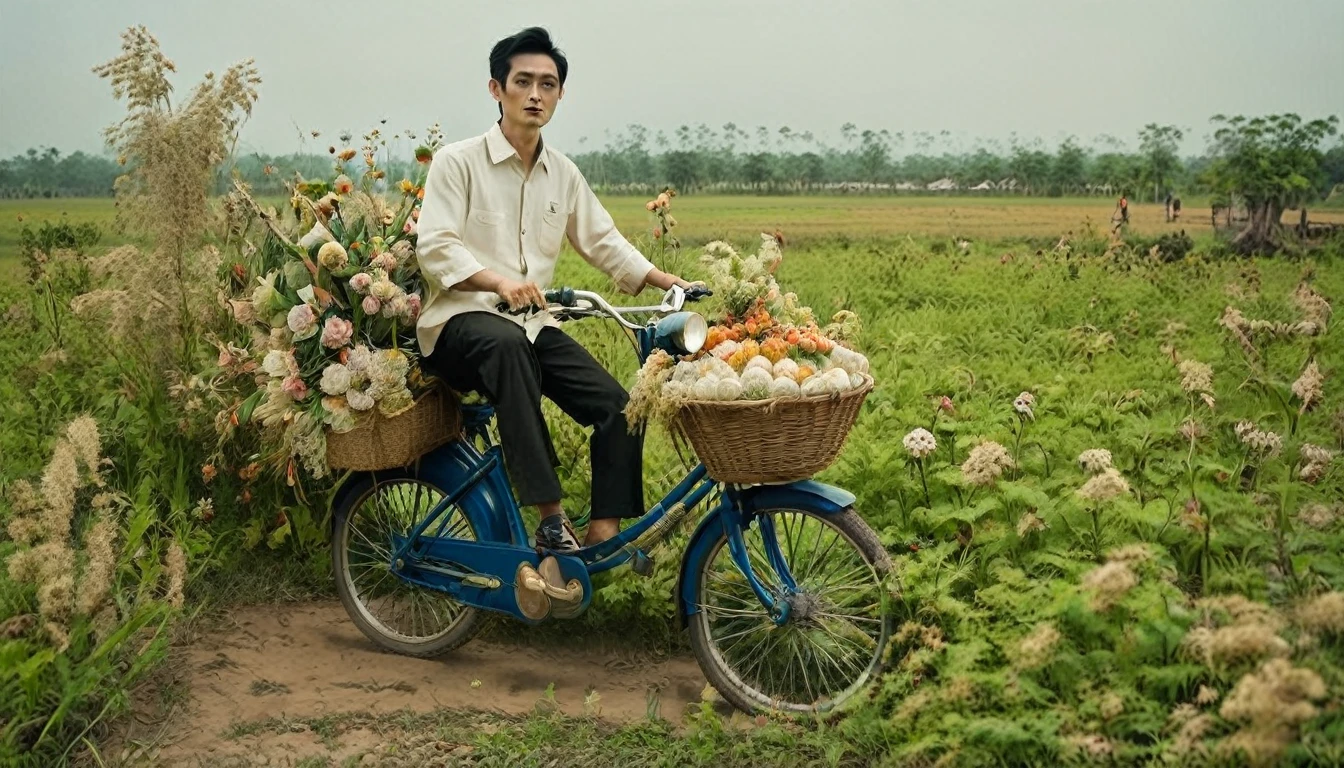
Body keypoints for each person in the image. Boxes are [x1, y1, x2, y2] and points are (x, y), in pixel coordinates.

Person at [414, 27, 700, 553]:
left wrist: (666, 280)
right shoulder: (458, 162)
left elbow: (603, 240)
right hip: (460, 322)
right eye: (522, 81)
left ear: (560, 95)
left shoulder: (562, 174)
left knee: (619, 406)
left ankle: (600, 538)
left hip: (531, 324)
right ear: (496, 89)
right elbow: (434, 246)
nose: (535, 94)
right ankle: (550, 520)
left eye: (547, 84)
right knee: (507, 348)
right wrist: (499, 280)